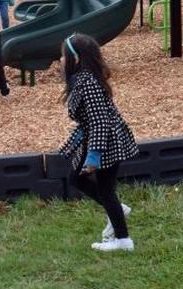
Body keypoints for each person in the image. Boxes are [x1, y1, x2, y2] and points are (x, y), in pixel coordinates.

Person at [56, 33, 139, 252]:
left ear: (76, 59)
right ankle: (118, 212)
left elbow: (100, 121)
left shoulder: (87, 83)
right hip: (98, 137)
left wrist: (94, 156)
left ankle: (123, 240)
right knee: (77, 178)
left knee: (105, 190)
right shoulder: (83, 79)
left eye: (63, 56)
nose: (61, 60)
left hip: (105, 141)